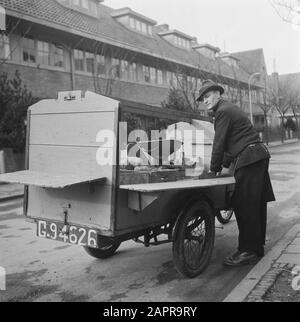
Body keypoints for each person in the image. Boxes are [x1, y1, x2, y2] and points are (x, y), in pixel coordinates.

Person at [197, 80, 276, 266]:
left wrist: (213, 170)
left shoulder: (222, 112)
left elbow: (219, 143)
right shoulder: (228, 109)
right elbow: (228, 148)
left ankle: (248, 251)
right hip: (257, 155)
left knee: (244, 203)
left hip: (249, 157)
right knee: (255, 203)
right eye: (202, 99)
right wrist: (223, 167)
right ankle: (256, 247)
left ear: (217, 93)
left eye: (207, 96)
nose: (205, 101)